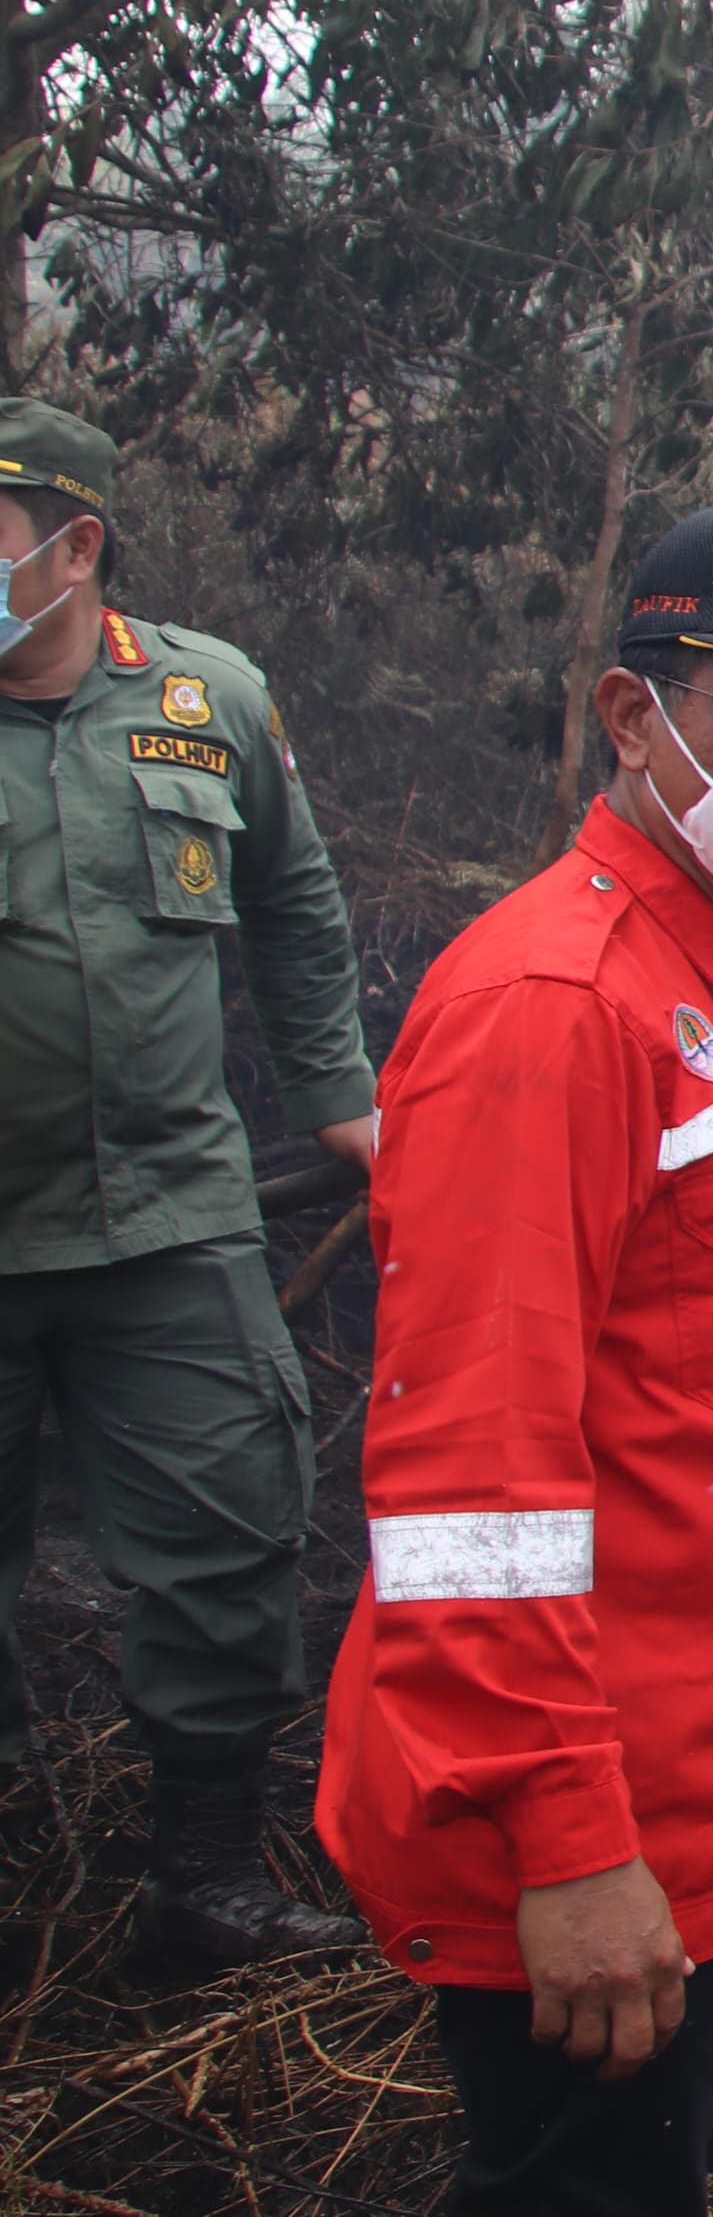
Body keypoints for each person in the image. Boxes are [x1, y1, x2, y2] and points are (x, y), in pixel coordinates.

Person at [321, 501, 713, 2216]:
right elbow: (470, 1485)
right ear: (629, 712)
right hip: (618, 1813)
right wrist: (572, 1847)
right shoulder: (554, 1006)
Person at [0, 400, 374, 1967]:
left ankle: (203, 1874)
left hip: (170, 1213)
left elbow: (291, 899)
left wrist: (344, 1098)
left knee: (233, 1527)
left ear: (75, 548)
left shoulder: (206, 697)